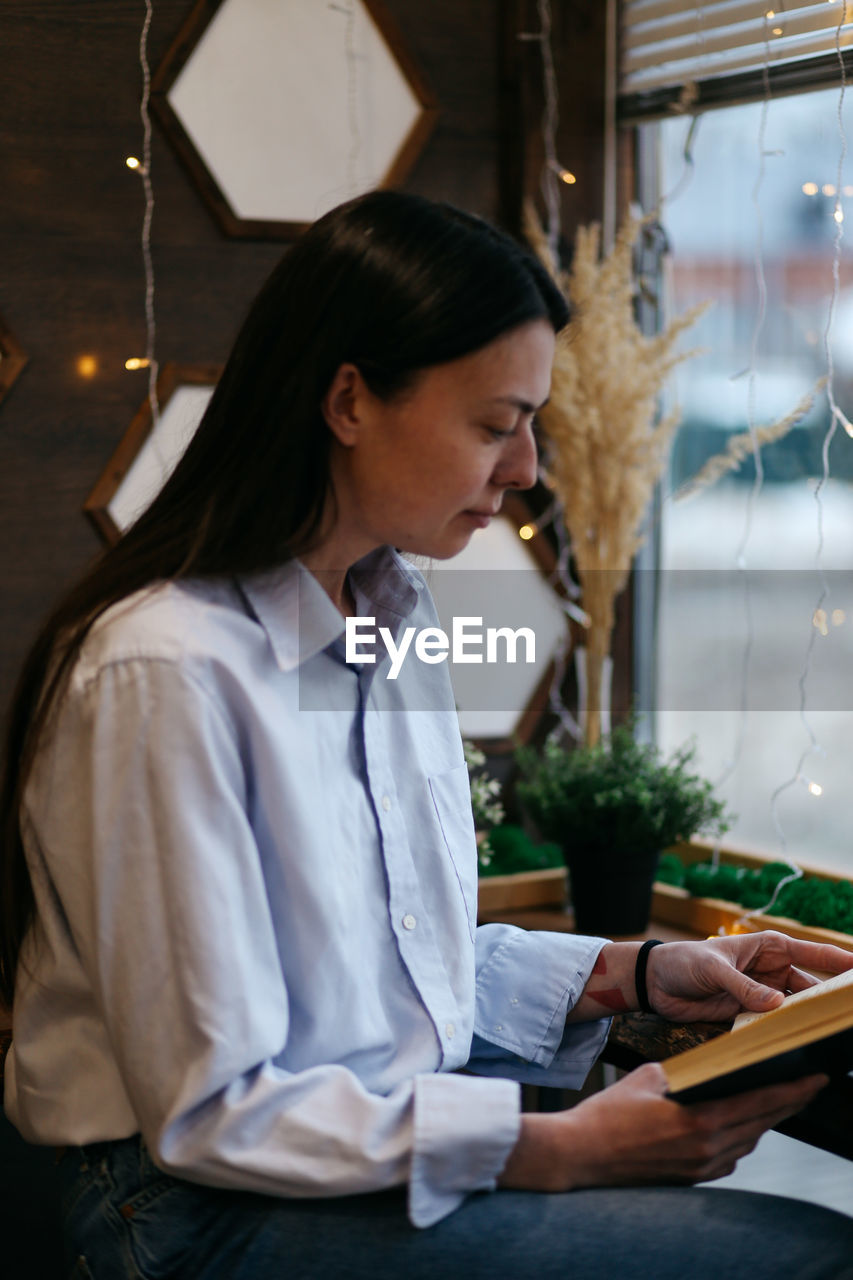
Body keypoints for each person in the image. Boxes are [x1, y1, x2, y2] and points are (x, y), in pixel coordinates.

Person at [1, 190, 852, 1280]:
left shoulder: (391, 619)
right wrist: (565, 1150)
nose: (527, 467)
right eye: (495, 424)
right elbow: (213, 1109)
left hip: (339, 1164)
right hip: (191, 1213)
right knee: (807, 1255)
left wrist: (634, 971)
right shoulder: (165, 671)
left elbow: (385, 971)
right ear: (348, 400)